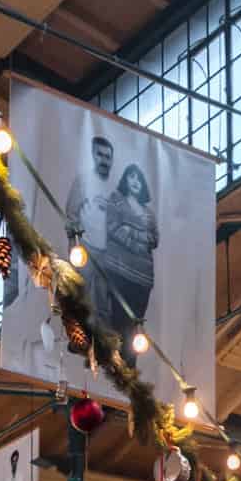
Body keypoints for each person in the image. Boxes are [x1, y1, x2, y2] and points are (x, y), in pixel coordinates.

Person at [100, 163, 159, 358]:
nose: (135, 182)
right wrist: (138, 239)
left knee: (135, 326)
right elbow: (113, 228)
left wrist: (131, 232)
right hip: (119, 270)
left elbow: (154, 238)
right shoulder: (116, 200)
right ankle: (113, 362)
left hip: (143, 277)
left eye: (139, 179)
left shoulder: (149, 212)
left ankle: (129, 367)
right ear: (125, 180)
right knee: (117, 319)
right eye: (131, 177)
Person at [65, 135, 117, 323]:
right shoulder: (83, 181)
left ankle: (105, 342)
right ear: (93, 156)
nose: (104, 160)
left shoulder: (116, 186)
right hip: (86, 247)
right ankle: (81, 335)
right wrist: (74, 245)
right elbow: (71, 213)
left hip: (108, 251)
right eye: (100, 155)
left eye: (108, 156)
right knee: (82, 294)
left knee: (104, 299)